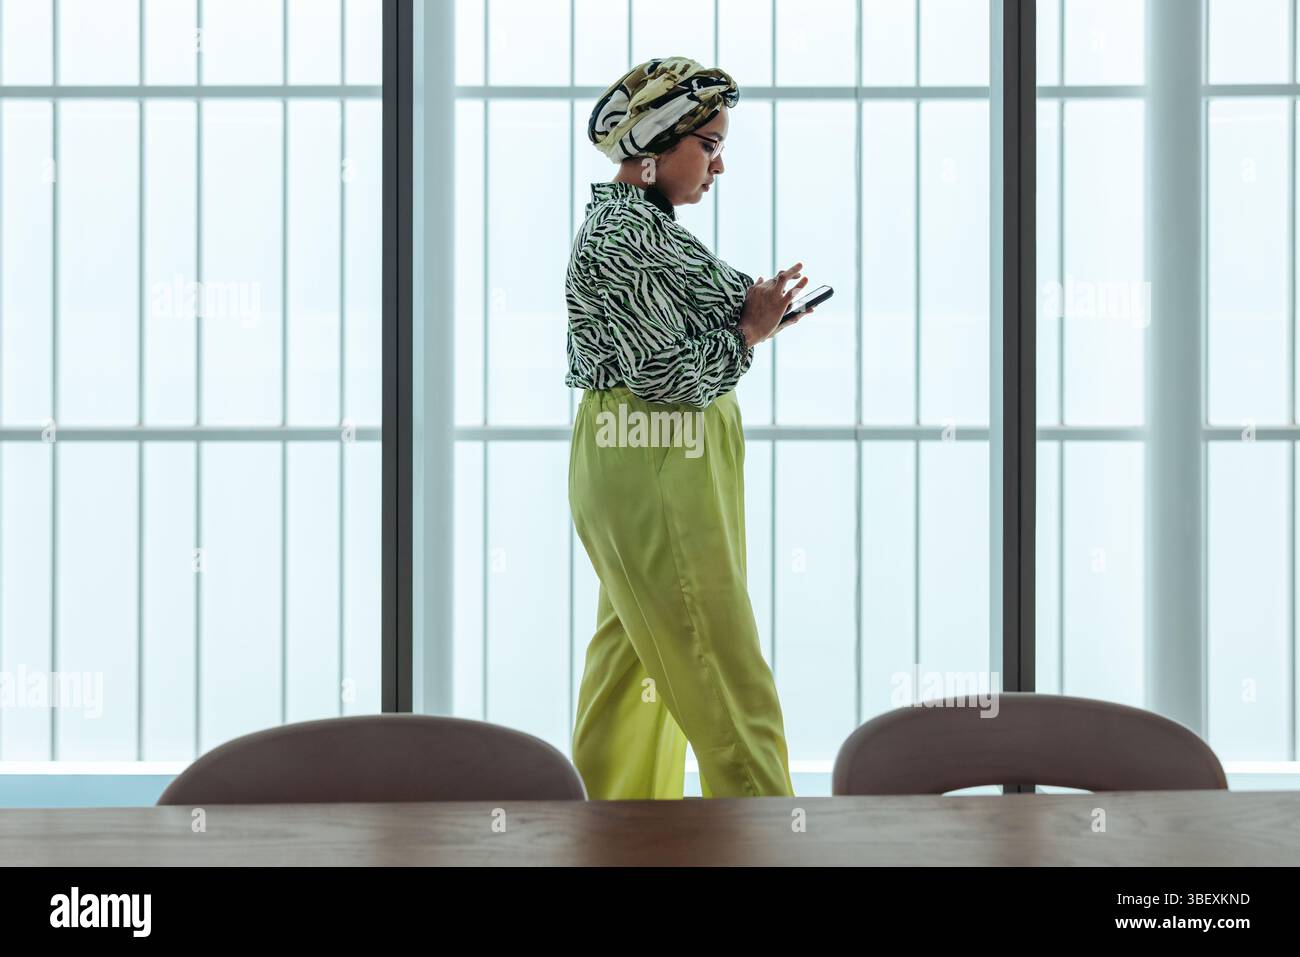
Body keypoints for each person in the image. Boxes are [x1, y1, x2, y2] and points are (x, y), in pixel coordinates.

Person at [565, 56, 814, 799]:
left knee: (634, 665)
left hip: (653, 454)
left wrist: (754, 314)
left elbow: (696, 323)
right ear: (651, 149)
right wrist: (747, 334)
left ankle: (616, 838)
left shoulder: (644, 226)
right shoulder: (624, 236)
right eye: (706, 145)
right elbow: (668, 379)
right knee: (719, 663)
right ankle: (766, 837)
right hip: (655, 454)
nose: (719, 163)